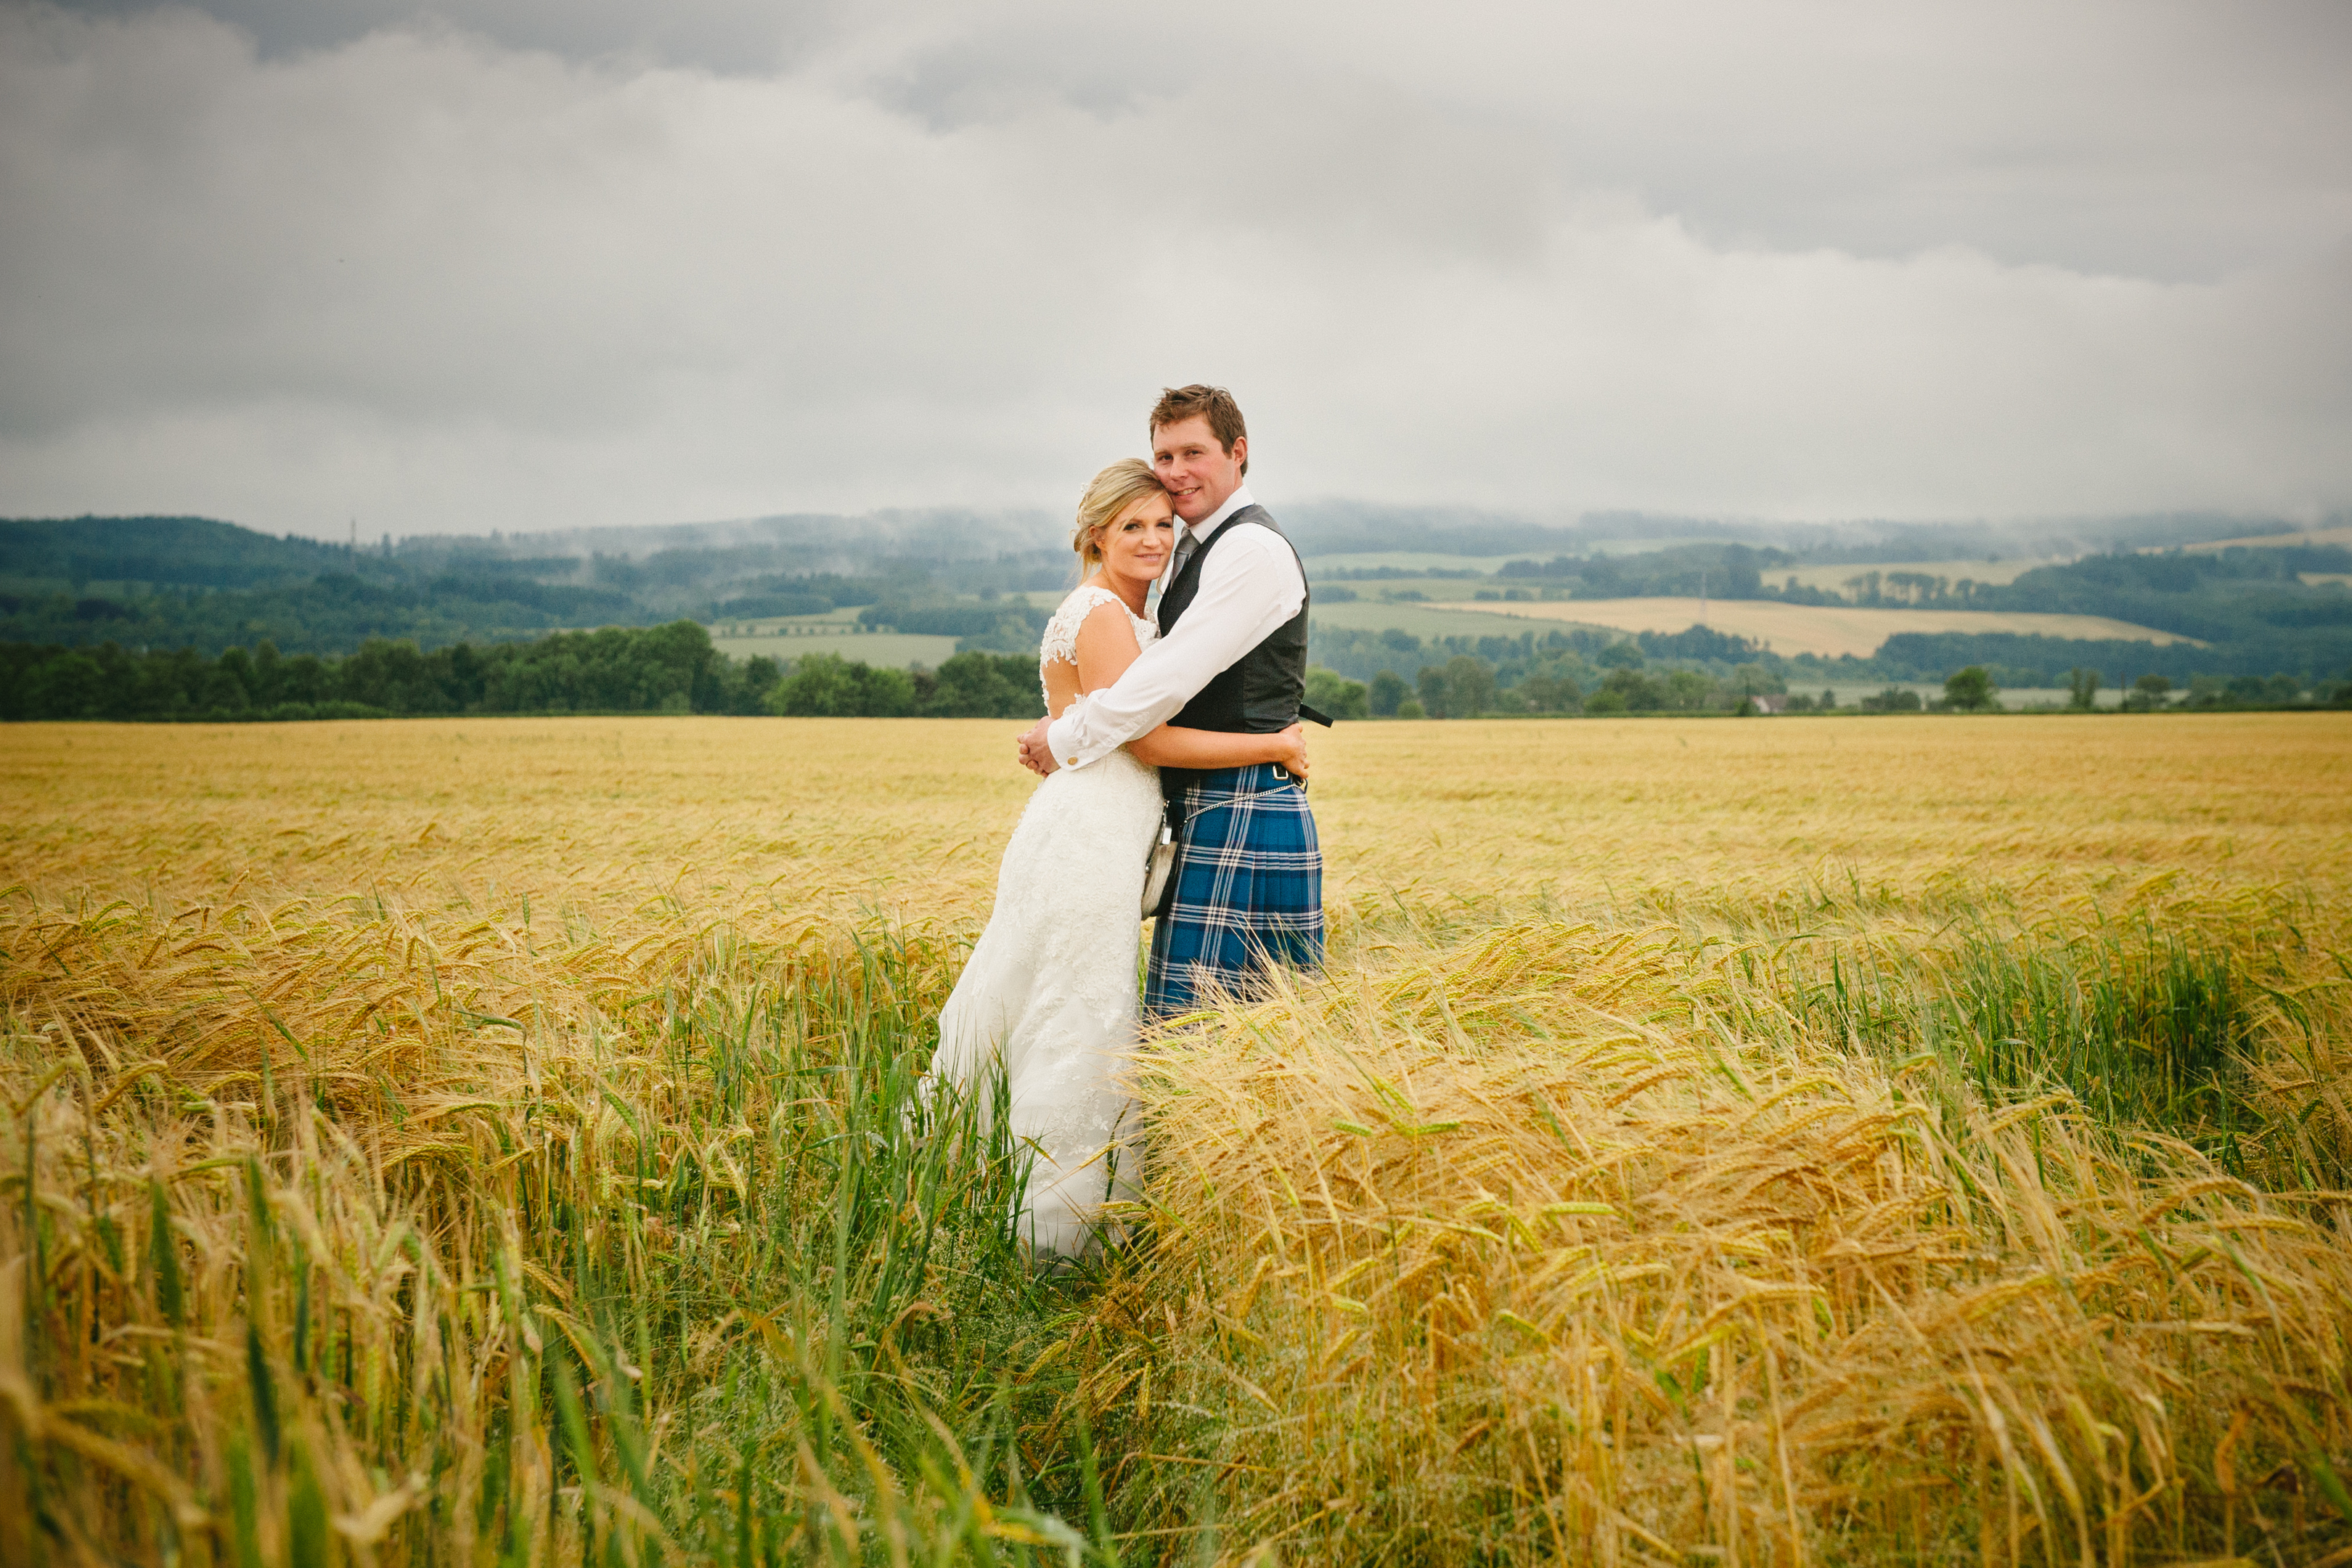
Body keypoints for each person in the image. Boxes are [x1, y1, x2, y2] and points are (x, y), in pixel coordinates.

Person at [932, 457, 1309, 1259]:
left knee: (1053, 999)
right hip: (1091, 831)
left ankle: (1004, 1192)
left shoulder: (1134, 612)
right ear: (1094, 535)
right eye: (1131, 525)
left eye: (1163, 524)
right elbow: (1147, 739)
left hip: (1102, 827)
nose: (1151, 539)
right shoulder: (1103, 614)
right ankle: (1060, 1233)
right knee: (1083, 1010)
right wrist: (1272, 740)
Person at [1017, 385, 1323, 1020]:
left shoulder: (1248, 548)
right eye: (1164, 456)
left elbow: (1161, 684)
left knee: (1216, 1030)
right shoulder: (1194, 546)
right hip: (1208, 805)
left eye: (1194, 453)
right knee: (1199, 1031)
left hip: (1242, 801)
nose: (1177, 472)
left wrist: (1066, 737)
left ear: (1238, 453)